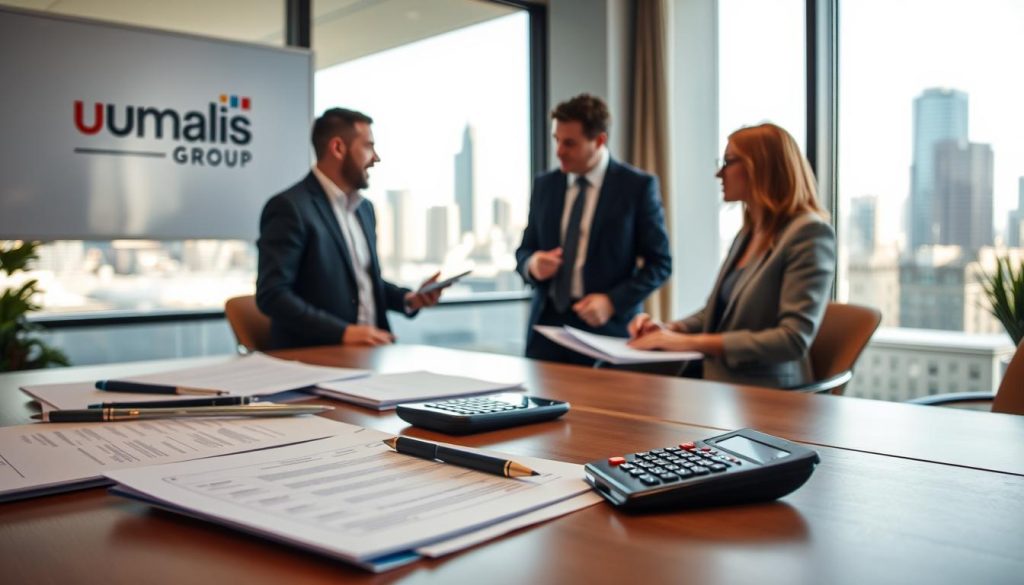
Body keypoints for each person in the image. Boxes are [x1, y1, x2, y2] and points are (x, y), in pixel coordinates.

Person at [628, 123, 836, 389]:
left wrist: (687, 343)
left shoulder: (809, 233)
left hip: (770, 393)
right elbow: (714, 316)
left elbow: (791, 340)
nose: (719, 173)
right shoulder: (748, 234)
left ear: (760, 167)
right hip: (721, 384)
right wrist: (669, 329)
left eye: (728, 162)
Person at [256, 108, 444, 350]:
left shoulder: (364, 210)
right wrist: (343, 333)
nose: (376, 157)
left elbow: (362, 281)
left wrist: (409, 299)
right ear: (338, 148)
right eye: (368, 146)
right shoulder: (290, 208)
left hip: (373, 352)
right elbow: (273, 296)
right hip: (317, 356)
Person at [515, 94, 671, 365]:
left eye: (569, 143)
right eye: (556, 140)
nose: (559, 151)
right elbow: (525, 250)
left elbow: (660, 264)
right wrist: (533, 263)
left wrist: (612, 302)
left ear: (599, 140)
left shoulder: (636, 187)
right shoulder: (545, 185)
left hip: (608, 333)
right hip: (545, 332)